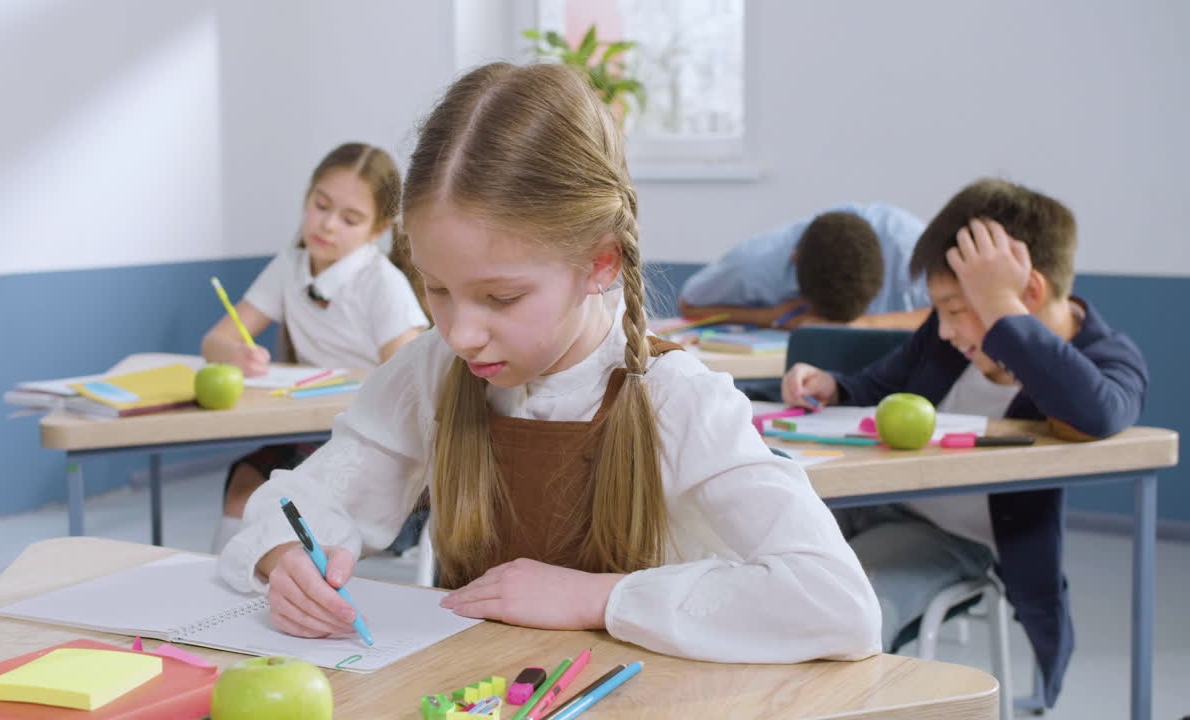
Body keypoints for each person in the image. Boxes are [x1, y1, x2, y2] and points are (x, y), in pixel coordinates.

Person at [218, 62, 881, 664]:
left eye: (500, 297)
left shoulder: (676, 397)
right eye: (436, 289)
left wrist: (596, 599)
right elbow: (305, 499)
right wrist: (284, 555)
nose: (461, 333)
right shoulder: (432, 371)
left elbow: (838, 604)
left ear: (599, 263)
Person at [781, 178, 1148, 707]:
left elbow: (1098, 411)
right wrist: (834, 386)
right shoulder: (949, 337)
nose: (948, 329)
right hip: (874, 503)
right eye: (943, 311)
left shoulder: (1105, 354)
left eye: (960, 309)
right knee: (766, 556)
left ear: (1028, 294)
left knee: (848, 599)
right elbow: (883, 383)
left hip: (952, 539)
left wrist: (1001, 308)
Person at [203, 143, 429, 551]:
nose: (327, 226)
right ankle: (226, 594)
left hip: (364, 447)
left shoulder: (382, 284)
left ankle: (273, 584)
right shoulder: (289, 265)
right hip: (307, 433)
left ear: (377, 230)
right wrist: (235, 355)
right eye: (320, 206)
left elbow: (411, 384)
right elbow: (216, 340)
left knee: (280, 513)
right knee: (243, 491)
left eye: (350, 219)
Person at [680, 204, 931, 330]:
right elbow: (688, 306)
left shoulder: (910, 247)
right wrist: (766, 317)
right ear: (794, 259)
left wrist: (863, 324)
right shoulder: (752, 265)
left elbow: (951, 310)